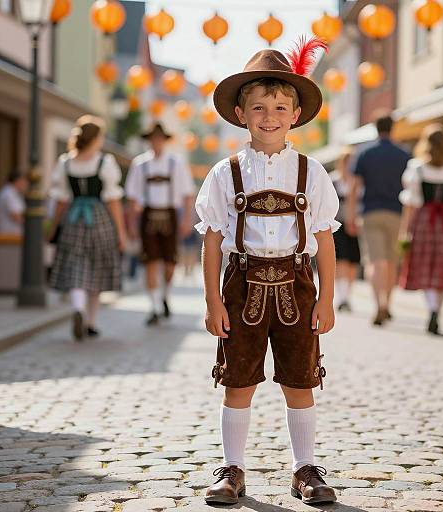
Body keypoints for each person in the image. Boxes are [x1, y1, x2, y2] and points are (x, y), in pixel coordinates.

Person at [195, 39, 340, 505]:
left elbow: (324, 238)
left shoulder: (310, 172)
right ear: (241, 113)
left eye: (280, 106)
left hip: (297, 284)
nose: (270, 116)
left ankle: (304, 469)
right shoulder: (225, 172)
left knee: (300, 380)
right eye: (259, 107)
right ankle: (232, 468)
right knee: (238, 380)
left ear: (296, 114)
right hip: (241, 284)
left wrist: (327, 297)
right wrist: (213, 299)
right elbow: (212, 237)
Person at [49, 115, 126, 341]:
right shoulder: (105, 162)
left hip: (73, 220)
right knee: (97, 270)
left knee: (75, 268)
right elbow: (113, 201)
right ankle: (90, 323)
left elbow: (61, 200)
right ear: (96, 138)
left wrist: (53, 227)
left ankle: (78, 309)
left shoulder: (65, 162)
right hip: (98, 220)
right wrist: (120, 233)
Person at [399, 124, 443, 334]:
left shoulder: (417, 168)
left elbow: (411, 204)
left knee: (427, 267)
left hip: (424, 221)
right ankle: (437, 309)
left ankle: (431, 309)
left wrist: (405, 230)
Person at [125, 123, 195, 325]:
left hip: (170, 214)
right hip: (148, 215)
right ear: (149, 141)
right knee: (151, 262)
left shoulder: (176, 163)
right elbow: (131, 197)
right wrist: (131, 223)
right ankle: (155, 306)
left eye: (159, 138)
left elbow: (188, 194)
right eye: (153, 138)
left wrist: (186, 220)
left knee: (170, 262)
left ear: (164, 140)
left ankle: (164, 293)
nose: (156, 142)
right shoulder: (140, 164)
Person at [346, 113, 411, 326]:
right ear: (392, 128)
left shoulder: (364, 154)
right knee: (392, 262)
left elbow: (354, 187)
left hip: (371, 212)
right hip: (396, 213)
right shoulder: (404, 155)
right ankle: (388, 304)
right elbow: (410, 188)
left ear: (375, 128)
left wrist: (351, 214)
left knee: (375, 262)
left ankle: (378, 305)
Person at [331, 147, 360, 311]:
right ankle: (341, 296)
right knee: (341, 259)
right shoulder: (333, 179)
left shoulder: (357, 181)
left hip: (355, 223)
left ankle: (347, 295)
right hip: (337, 224)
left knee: (353, 261)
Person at [0, 170, 28, 235]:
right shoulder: (9, 194)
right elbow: (16, 216)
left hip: (12, 234)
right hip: (9, 236)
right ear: (18, 180)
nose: (26, 184)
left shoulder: (13, 193)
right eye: (24, 181)